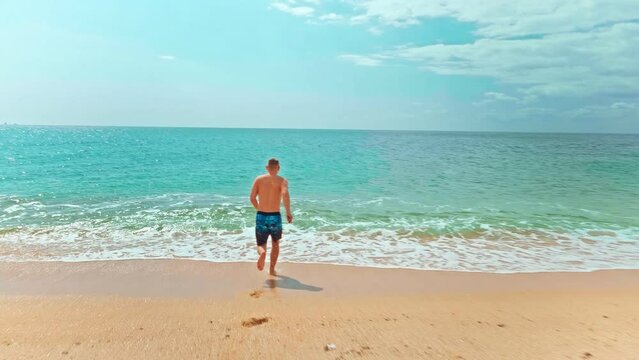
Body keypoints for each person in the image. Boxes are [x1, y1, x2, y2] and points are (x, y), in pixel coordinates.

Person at [250, 158, 293, 275]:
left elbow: (252, 198)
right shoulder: (282, 181)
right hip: (275, 216)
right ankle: (272, 269)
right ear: (278, 168)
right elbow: (285, 195)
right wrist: (288, 212)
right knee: (275, 243)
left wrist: (259, 208)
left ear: (267, 167)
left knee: (260, 244)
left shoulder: (259, 179)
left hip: (261, 215)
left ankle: (262, 253)